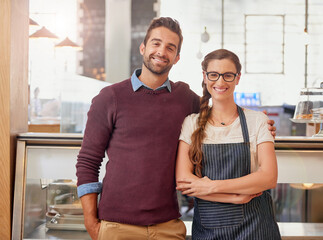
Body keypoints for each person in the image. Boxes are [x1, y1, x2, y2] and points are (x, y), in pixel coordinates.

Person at [76, 18, 276, 240]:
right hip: (117, 226)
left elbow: (220, 109)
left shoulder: (185, 99)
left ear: (177, 57)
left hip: (168, 226)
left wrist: (259, 125)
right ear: (143, 47)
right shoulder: (109, 97)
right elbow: (88, 161)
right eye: (156, 43)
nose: (162, 51)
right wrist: (91, 222)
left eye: (170, 47)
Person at [176, 49, 281, 239]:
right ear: (205, 77)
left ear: (238, 78)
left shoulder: (257, 121)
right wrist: (234, 197)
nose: (220, 82)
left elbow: (268, 178)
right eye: (214, 75)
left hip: (256, 228)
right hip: (209, 230)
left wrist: (210, 186)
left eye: (228, 75)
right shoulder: (191, 123)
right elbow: (183, 182)